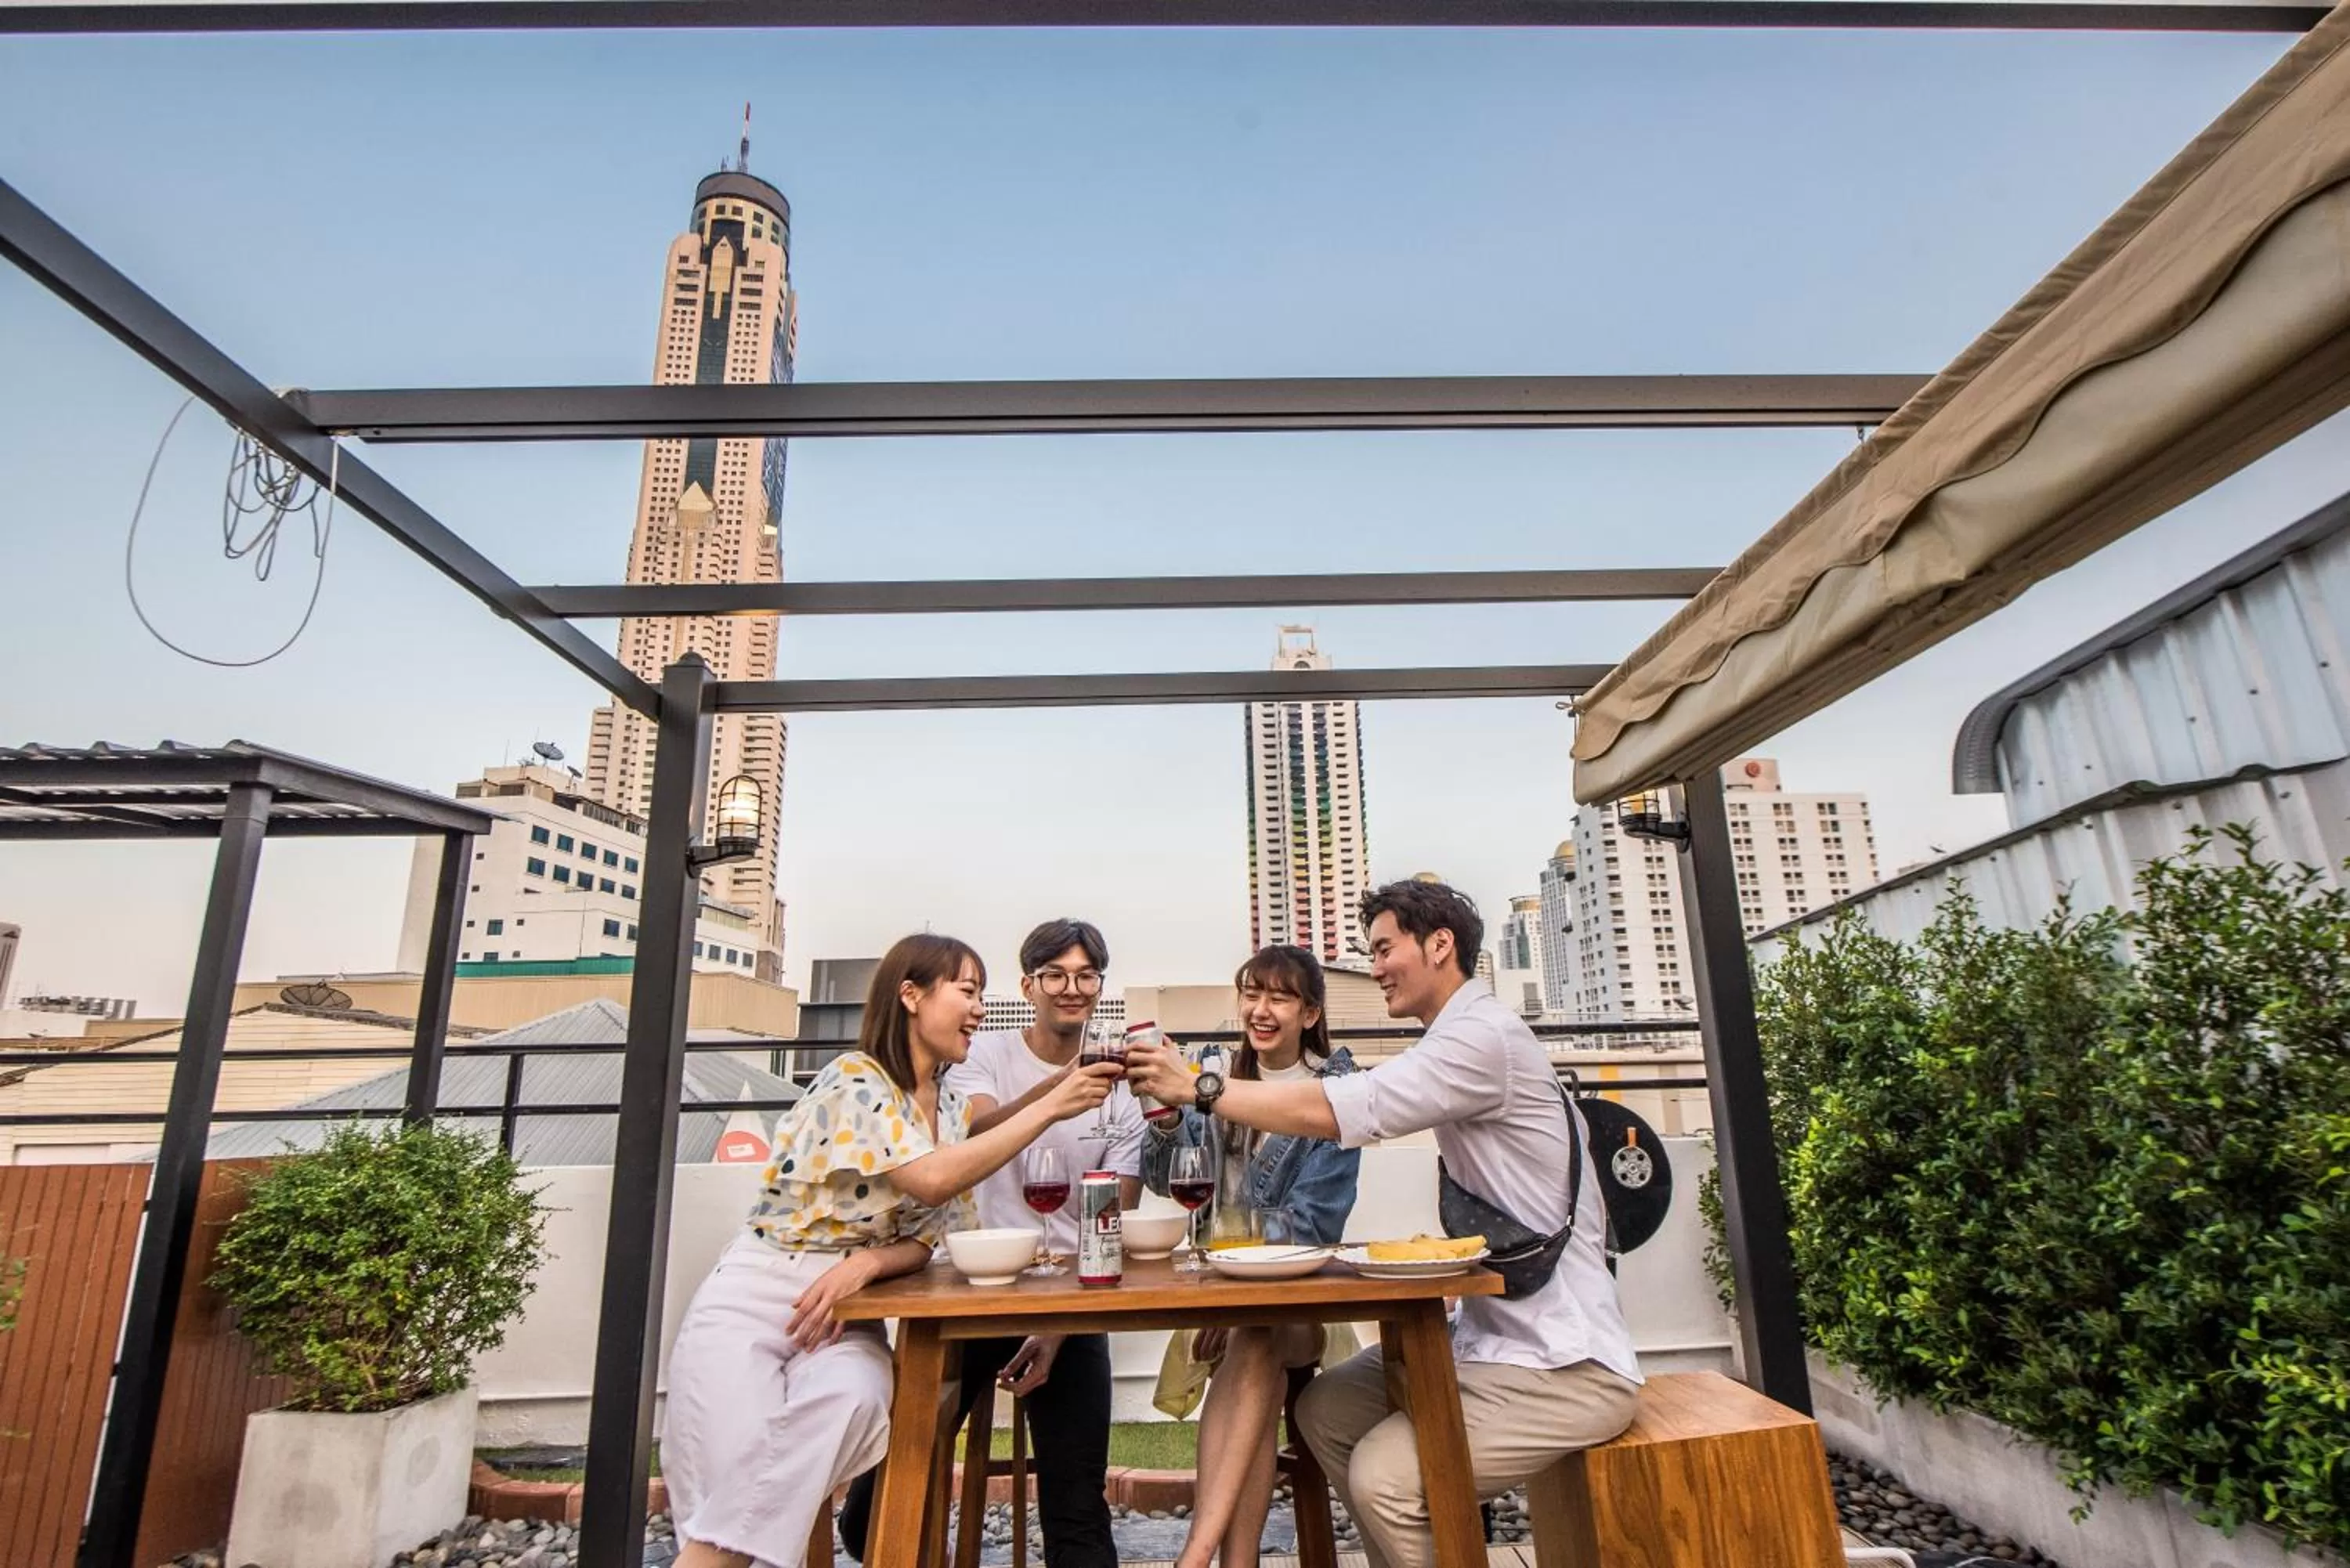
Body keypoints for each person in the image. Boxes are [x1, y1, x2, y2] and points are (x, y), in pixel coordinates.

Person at [1126, 881, 1642, 1568]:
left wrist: (1200, 1087)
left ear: (1439, 945)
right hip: (1486, 1343)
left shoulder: (1481, 1037)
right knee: (1324, 1413)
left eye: (1382, 949)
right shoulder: (1455, 1039)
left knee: (1384, 1478)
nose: (1373, 969)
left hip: (1564, 1364)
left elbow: (1354, 1108)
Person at [663, 933, 1120, 1568]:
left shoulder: (953, 1108)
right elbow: (931, 1178)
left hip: (856, 1303)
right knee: (732, 1474)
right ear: (910, 995)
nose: (979, 1010)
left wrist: (870, 1262)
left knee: (857, 1397)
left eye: (981, 995)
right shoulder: (856, 1080)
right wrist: (1051, 1106)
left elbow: (933, 1236)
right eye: (967, 991)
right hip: (762, 1289)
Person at [841, 919, 1143, 1568]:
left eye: (1086, 975)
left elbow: (1119, 1206)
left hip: (1070, 1299)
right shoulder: (985, 1052)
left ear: (1100, 986)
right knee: (874, 1507)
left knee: (1077, 1514)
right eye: (1055, 975)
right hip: (969, 1289)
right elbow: (972, 1129)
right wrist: (1060, 1094)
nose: (1072, 988)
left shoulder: (1121, 1088)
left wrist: (1061, 1322)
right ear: (1029, 984)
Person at [1142, 944, 1362, 1568]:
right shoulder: (1213, 1077)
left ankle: (1197, 1553)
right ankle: (1230, 1562)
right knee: (1253, 1344)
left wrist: (1231, 1279)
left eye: (1279, 997)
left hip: (1302, 1304)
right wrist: (1161, 1116)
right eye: (1251, 994)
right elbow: (1166, 1177)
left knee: (1260, 1329)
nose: (1260, 1010)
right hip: (1226, 1302)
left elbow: (1312, 1223)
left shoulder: (1337, 1093)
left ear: (1311, 1012)